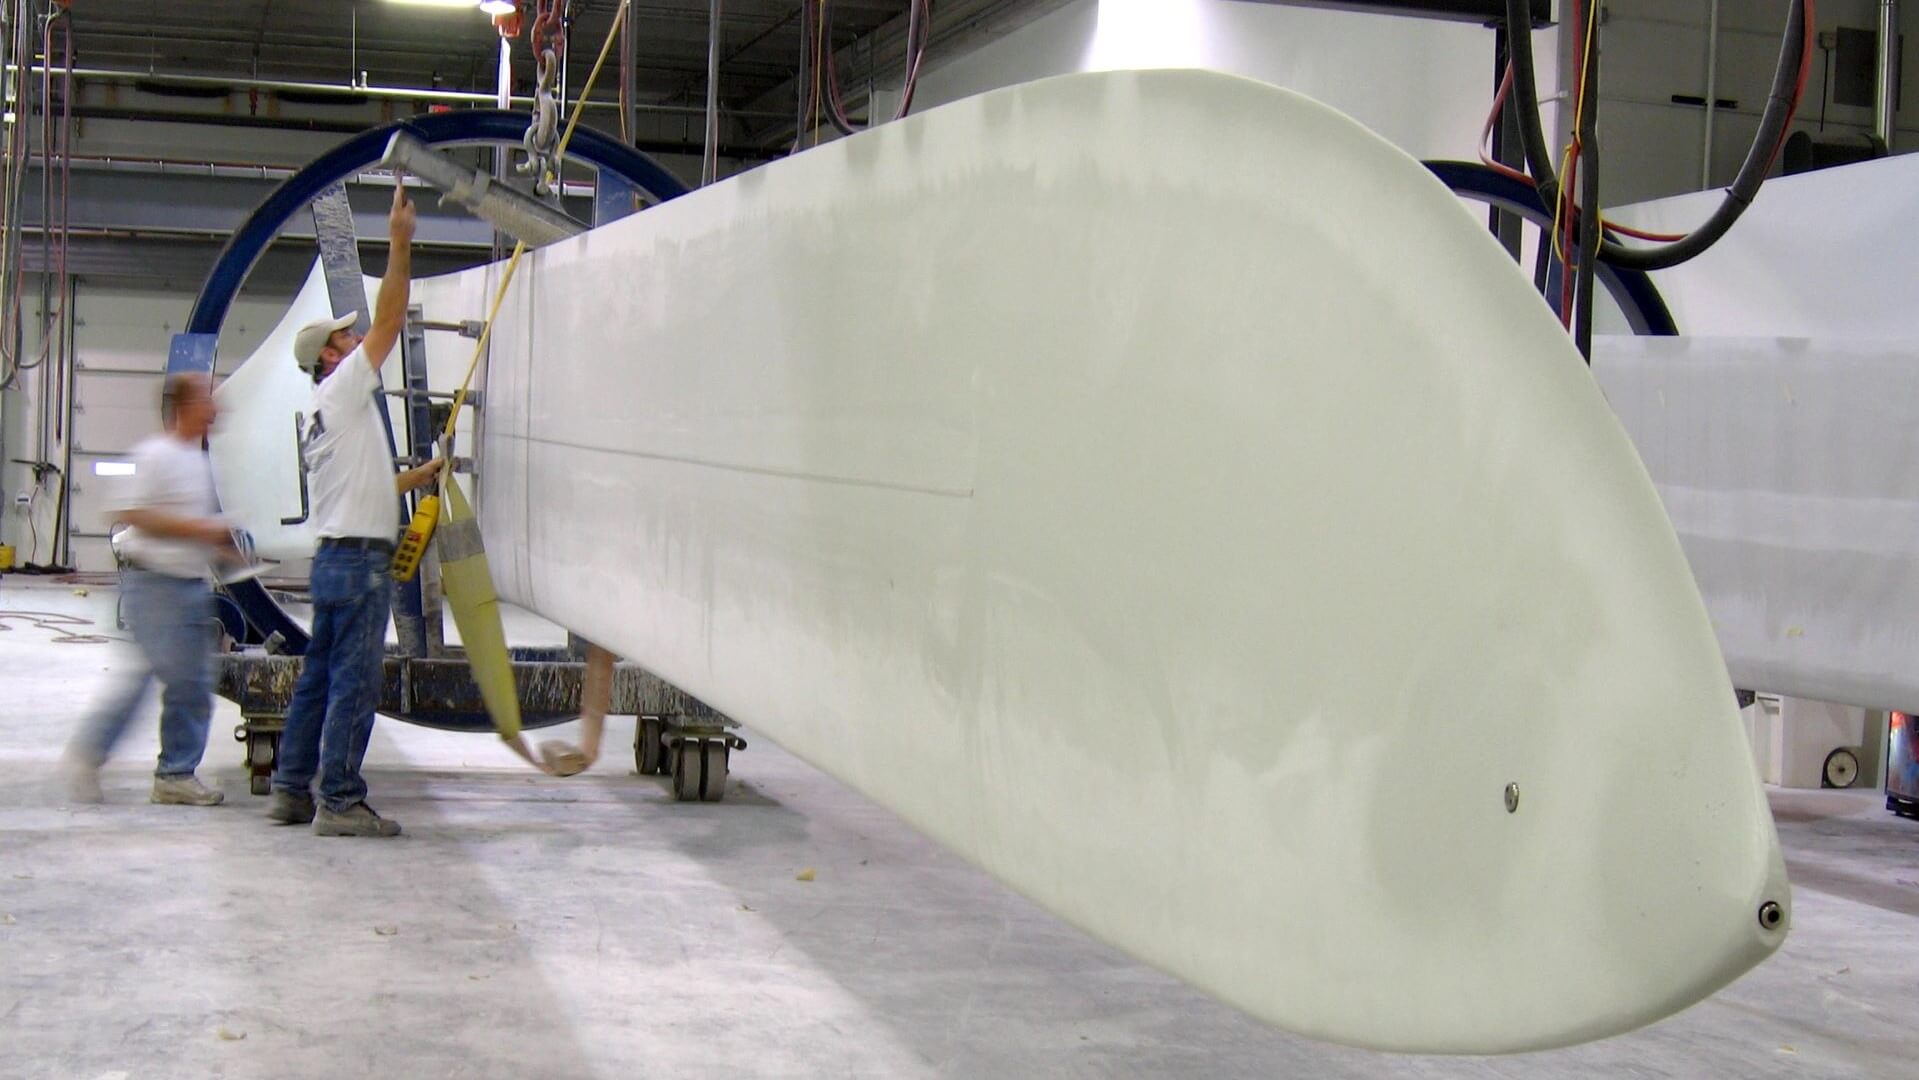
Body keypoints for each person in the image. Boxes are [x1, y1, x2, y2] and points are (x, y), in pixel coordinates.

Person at [266, 180, 442, 837]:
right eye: (344, 339)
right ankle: (339, 800)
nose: (354, 339)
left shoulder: (318, 413)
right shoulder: (341, 388)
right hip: (360, 564)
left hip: (334, 559)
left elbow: (357, 487)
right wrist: (398, 242)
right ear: (330, 358)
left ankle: (291, 790)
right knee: (353, 684)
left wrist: (416, 476)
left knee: (317, 683)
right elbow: (392, 322)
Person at [65, 373, 233, 806]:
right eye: (206, 399)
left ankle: (173, 773)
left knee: (191, 683)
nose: (214, 407)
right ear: (185, 406)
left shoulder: (197, 460)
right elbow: (129, 512)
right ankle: (108, 756)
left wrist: (221, 546)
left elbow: (189, 524)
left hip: (188, 585)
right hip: (155, 586)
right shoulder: (155, 454)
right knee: (161, 679)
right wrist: (197, 528)